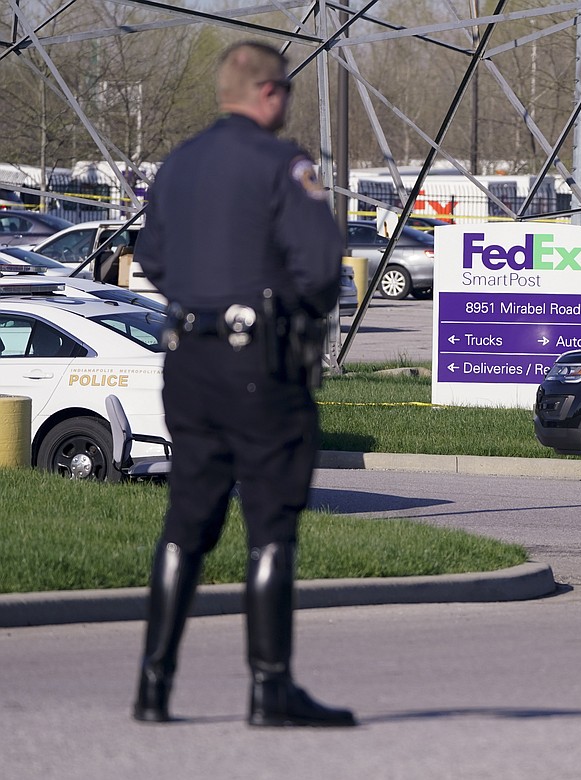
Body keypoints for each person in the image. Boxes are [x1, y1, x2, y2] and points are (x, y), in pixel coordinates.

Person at [131, 41, 355, 728]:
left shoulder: (179, 164)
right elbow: (321, 270)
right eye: (285, 90)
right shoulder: (282, 165)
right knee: (270, 523)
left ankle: (153, 686)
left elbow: (152, 258)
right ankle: (270, 688)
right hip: (259, 365)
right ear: (268, 93)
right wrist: (280, 309)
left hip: (187, 363)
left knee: (187, 521)